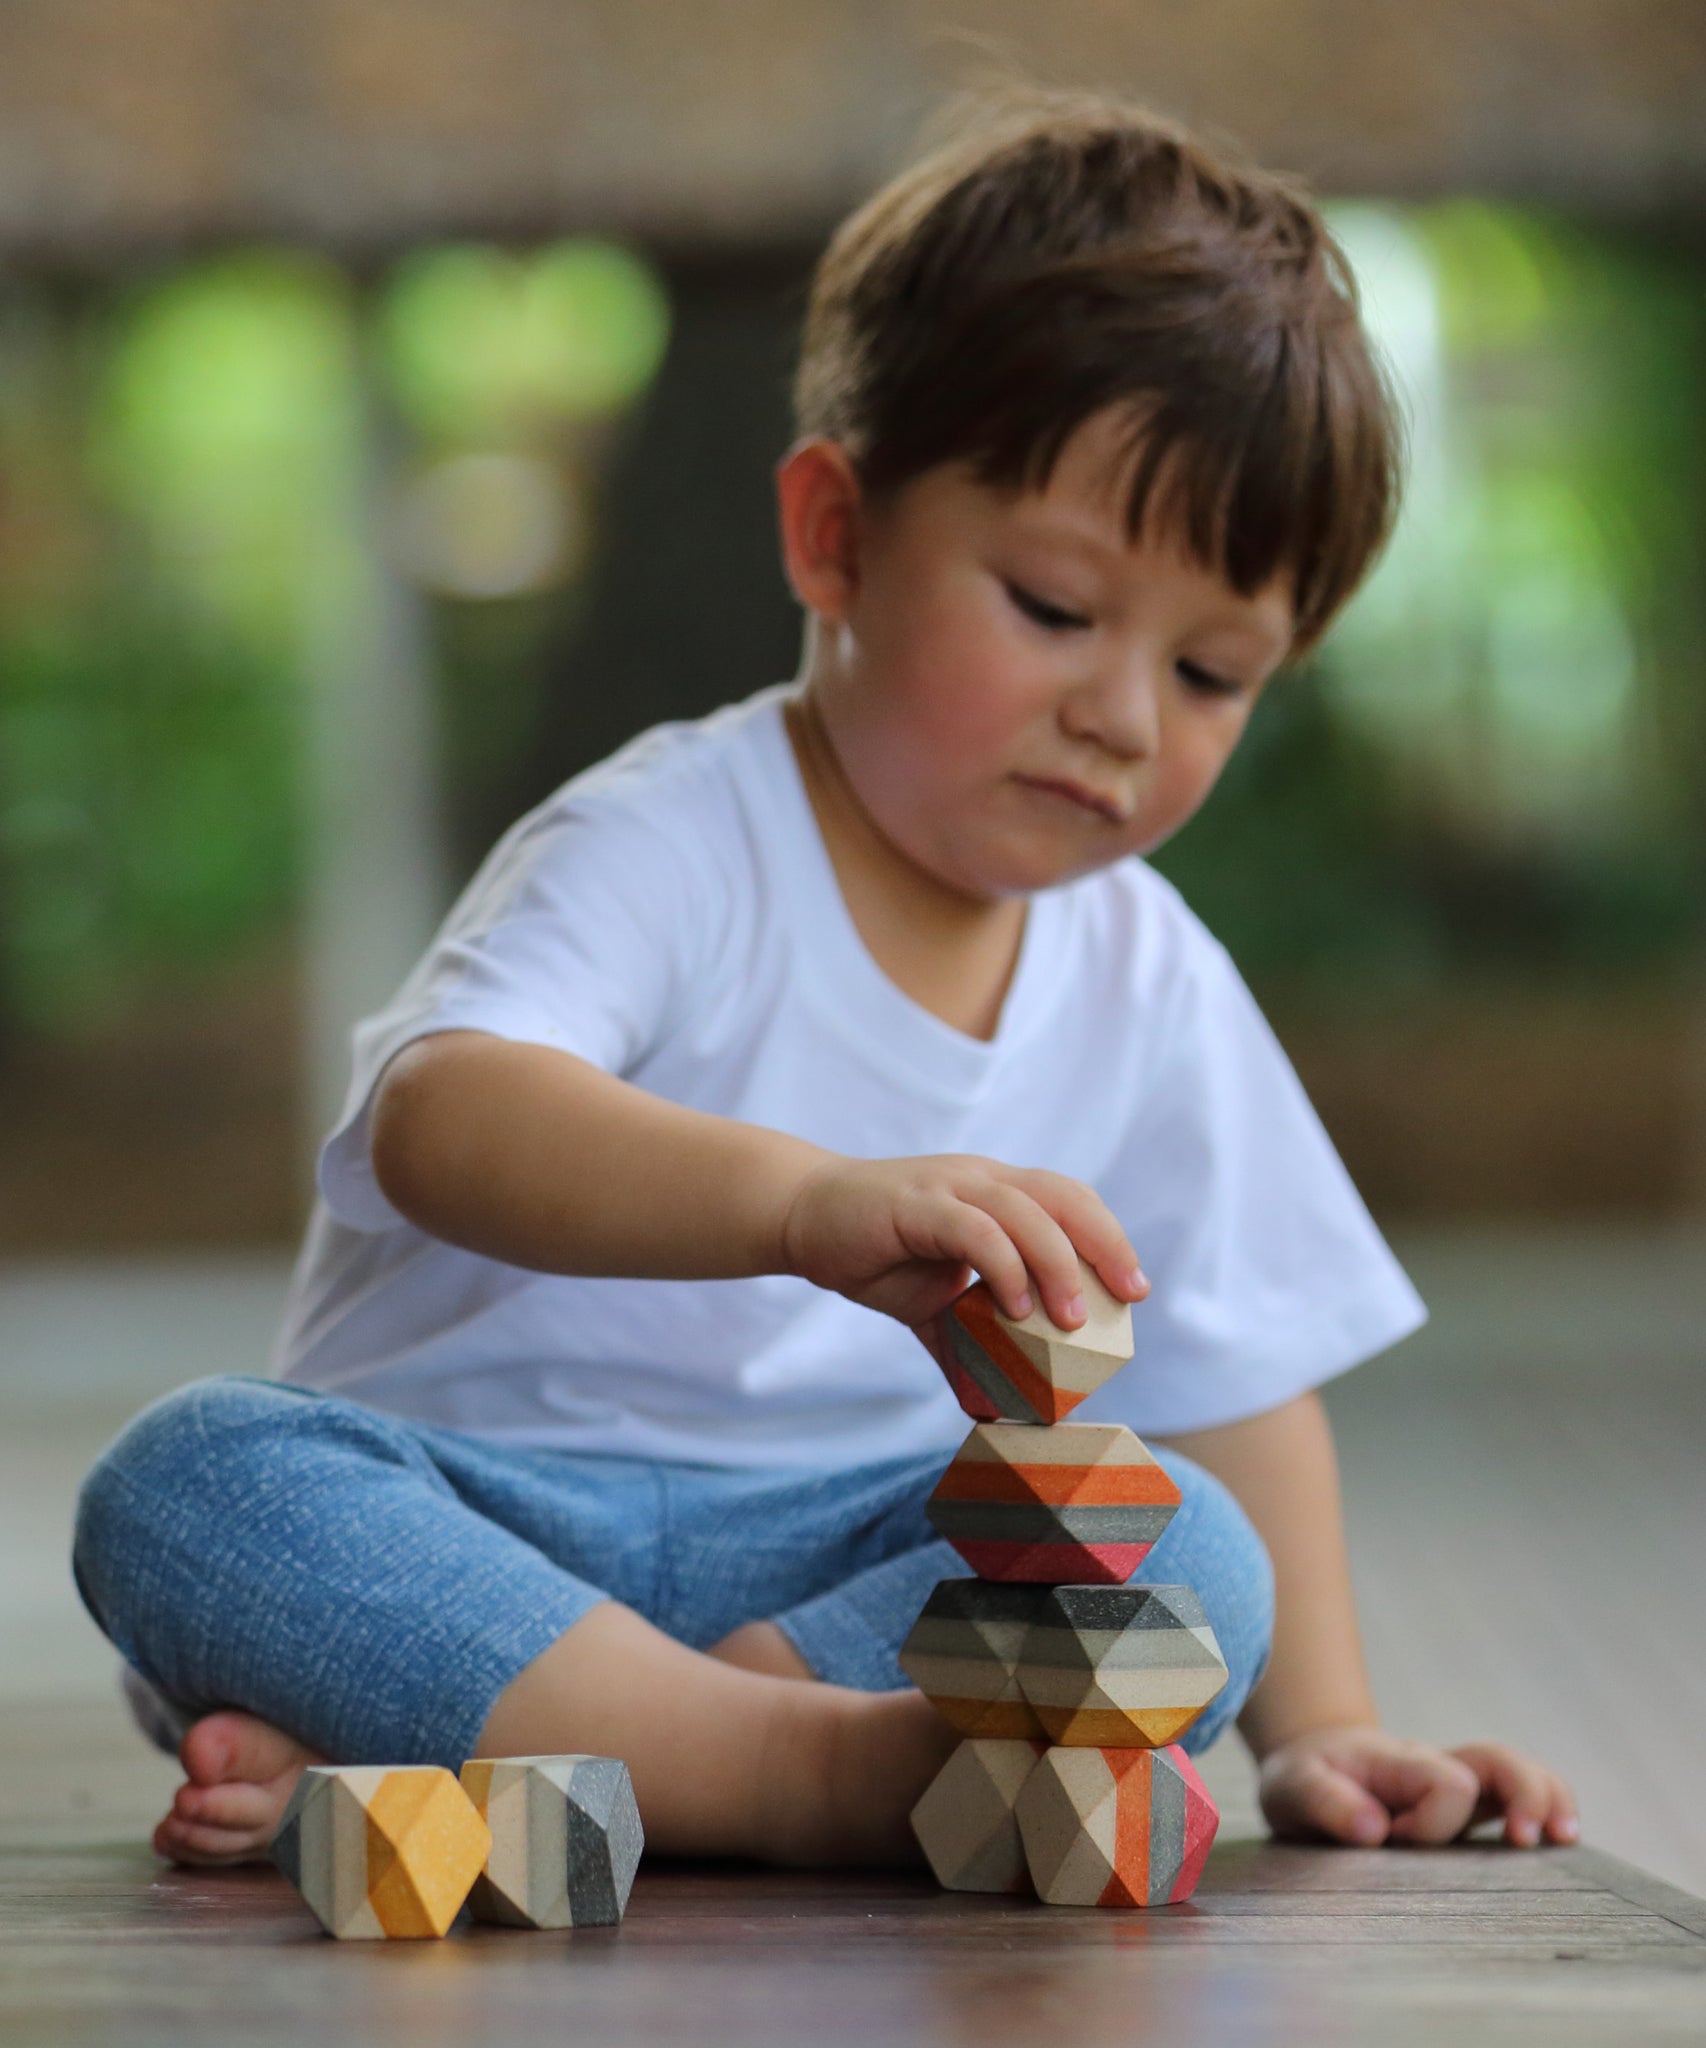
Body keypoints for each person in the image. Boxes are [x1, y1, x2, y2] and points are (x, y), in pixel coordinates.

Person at [74, 86, 1578, 1873]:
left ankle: (575, 1754)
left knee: (1191, 1544)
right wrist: (800, 1203)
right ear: (834, 539)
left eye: (1214, 673)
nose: (1120, 715)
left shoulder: (1149, 971)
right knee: (192, 1485)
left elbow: (1238, 1372)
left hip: (843, 1568)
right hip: (486, 1526)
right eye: (1050, 607)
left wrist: (1322, 1733)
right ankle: (787, 1776)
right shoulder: (677, 834)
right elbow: (444, 1113)